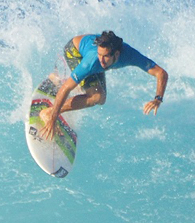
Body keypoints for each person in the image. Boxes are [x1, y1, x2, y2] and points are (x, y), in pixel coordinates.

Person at [38, 30, 168, 140]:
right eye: (100, 55)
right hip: (74, 51)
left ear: (116, 54)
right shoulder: (92, 61)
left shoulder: (130, 55)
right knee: (96, 97)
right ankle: (48, 112)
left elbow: (161, 73)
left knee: (101, 98)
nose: (101, 59)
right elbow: (67, 88)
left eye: (105, 56)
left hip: (91, 59)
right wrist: (53, 118)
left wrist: (158, 99)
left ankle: (59, 79)